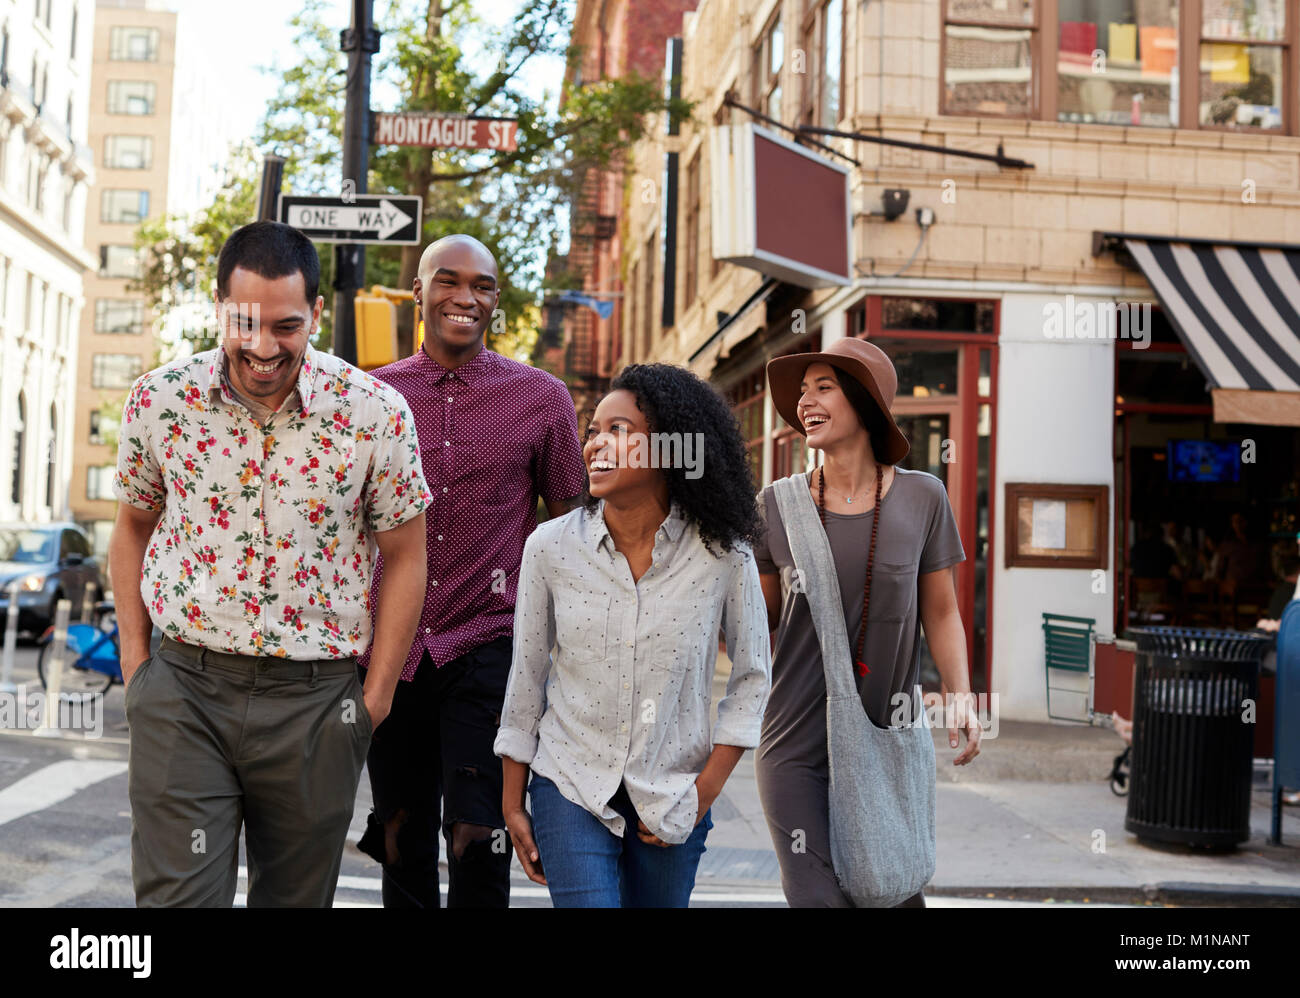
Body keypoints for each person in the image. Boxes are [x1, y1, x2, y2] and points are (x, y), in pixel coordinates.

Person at [110, 221, 431, 907]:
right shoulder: (161, 401)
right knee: (176, 900)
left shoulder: (376, 414)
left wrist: (373, 701)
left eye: (285, 326)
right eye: (244, 323)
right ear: (220, 308)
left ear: (317, 312)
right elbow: (133, 527)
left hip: (317, 705)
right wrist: (138, 668)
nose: (262, 347)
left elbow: (406, 557)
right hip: (185, 693)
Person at [354, 234, 586, 908]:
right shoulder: (372, 396)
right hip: (391, 648)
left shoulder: (542, 398)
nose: (466, 297)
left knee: (478, 838)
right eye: (449, 281)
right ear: (420, 294)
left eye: (482, 285)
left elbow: (568, 524)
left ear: (495, 301)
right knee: (399, 837)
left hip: (489, 648)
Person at [495, 364, 772, 907]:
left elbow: (752, 680)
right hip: (569, 784)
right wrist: (512, 801)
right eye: (593, 430)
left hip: (672, 793)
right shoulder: (549, 548)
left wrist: (702, 793)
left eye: (618, 430)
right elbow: (526, 676)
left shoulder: (723, 556)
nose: (595, 443)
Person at [753, 338, 981, 908]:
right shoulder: (776, 507)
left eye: (823, 387)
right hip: (795, 745)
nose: (806, 400)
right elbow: (756, 624)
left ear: (865, 402)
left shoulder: (923, 498)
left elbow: (942, 610)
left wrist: (960, 695)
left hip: (885, 739)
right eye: (802, 390)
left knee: (890, 894)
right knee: (818, 900)